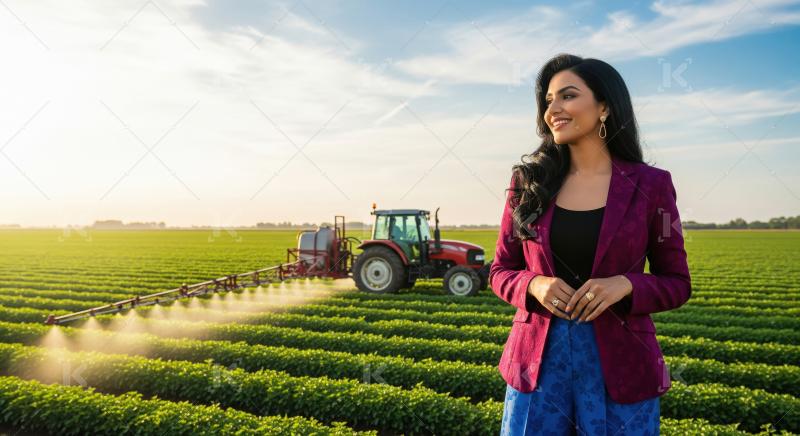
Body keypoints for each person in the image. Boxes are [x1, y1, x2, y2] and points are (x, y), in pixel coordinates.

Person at [490, 53, 692, 435]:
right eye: (548, 100)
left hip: (622, 367)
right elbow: (500, 271)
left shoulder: (652, 186)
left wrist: (627, 284)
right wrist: (534, 284)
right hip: (537, 367)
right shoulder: (527, 182)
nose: (554, 109)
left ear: (604, 107)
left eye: (567, 96)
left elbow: (677, 282)